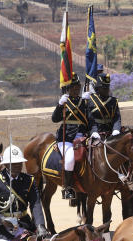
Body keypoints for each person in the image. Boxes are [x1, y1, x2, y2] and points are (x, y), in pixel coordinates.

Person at [51, 72, 89, 203]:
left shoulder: (83, 102)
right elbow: (55, 119)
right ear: (68, 88)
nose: (75, 89)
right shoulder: (64, 102)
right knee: (70, 159)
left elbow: (89, 120)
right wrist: (60, 105)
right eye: (72, 87)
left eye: (77, 86)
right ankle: (68, 188)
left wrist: (90, 101)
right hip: (66, 138)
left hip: (83, 137)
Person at [84, 73, 121, 141]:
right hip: (97, 133)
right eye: (104, 88)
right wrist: (94, 131)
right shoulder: (91, 100)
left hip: (111, 133)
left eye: (107, 87)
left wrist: (116, 129)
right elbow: (90, 119)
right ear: (98, 88)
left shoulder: (113, 101)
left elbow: (117, 118)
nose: (106, 90)